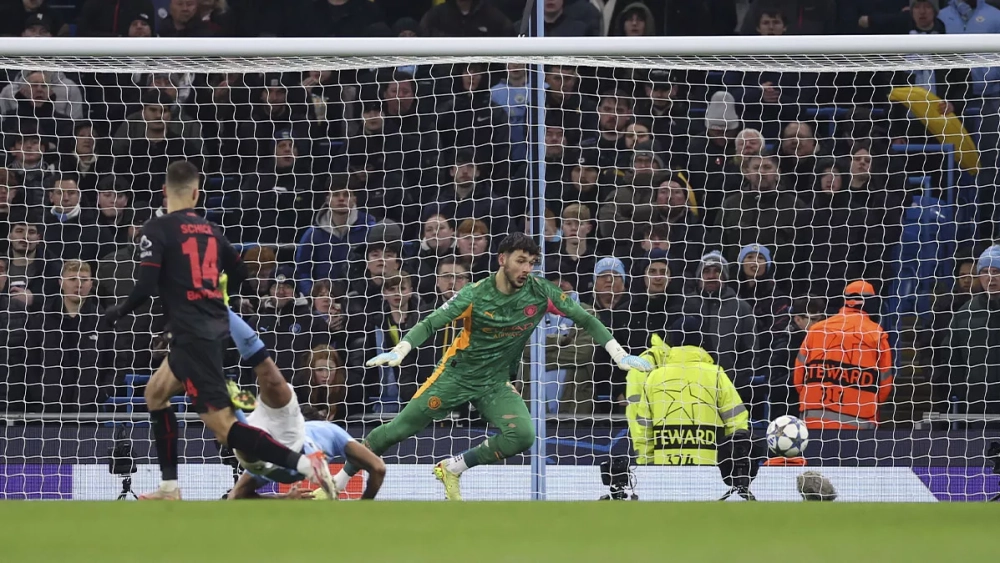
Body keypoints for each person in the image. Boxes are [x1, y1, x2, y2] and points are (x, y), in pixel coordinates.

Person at [337, 232, 652, 501]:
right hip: (457, 376)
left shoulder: (541, 293)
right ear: (503, 259)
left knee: (522, 434)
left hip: (495, 383)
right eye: (520, 261)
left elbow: (586, 318)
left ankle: (452, 468)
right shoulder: (475, 293)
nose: (527, 269)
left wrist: (619, 355)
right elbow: (433, 322)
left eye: (532, 262)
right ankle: (337, 482)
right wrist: (401, 349)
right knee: (399, 430)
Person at [101, 161, 335, 500]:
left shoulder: (157, 228)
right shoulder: (211, 230)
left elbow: (147, 283)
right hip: (203, 330)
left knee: (226, 428)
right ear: (196, 193)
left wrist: (117, 310)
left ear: (165, 193)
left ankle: (305, 465)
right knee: (155, 393)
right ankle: (169, 487)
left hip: (194, 336)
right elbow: (241, 275)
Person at [225, 318, 385, 500]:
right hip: (287, 448)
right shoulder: (330, 430)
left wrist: (283, 500)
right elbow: (378, 468)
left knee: (244, 437)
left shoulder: (324, 430)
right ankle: (229, 401)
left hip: (268, 446)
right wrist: (364, 506)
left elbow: (234, 497)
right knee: (268, 390)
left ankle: (229, 399)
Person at [624, 324, 756, 499]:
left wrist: (648, 464)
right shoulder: (715, 374)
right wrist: (734, 458)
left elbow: (643, 427)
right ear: (701, 343)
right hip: (712, 465)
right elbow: (737, 420)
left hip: (665, 467)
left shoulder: (654, 376)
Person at [794, 280, 893, 429]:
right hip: (860, 425)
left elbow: (798, 379)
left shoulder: (816, 330)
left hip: (814, 421)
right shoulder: (876, 335)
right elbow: (885, 386)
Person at [944, 246, 1000, 415]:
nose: (990, 278)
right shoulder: (964, 314)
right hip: (978, 408)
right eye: (984, 272)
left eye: (996, 271)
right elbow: (952, 360)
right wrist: (964, 394)